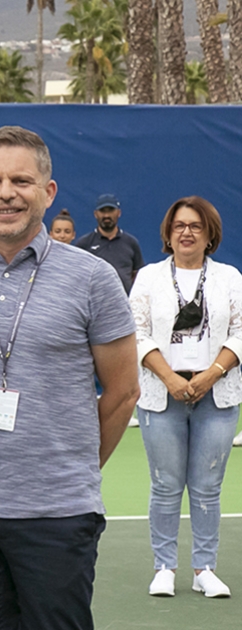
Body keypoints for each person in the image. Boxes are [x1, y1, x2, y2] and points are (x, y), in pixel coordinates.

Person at [0, 126, 139, 629]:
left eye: (21, 179)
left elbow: (124, 392)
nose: (6, 193)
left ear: (48, 192)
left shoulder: (93, 279)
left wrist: (73, 466)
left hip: (59, 514)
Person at [129, 196, 241, 598]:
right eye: (179, 226)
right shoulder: (149, 278)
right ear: (168, 233)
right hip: (162, 394)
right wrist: (170, 378)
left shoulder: (230, 277)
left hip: (217, 395)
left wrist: (212, 374)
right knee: (165, 484)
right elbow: (136, 332)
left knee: (208, 486)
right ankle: (164, 567)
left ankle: (204, 568)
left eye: (195, 226)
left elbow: (241, 332)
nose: (187, 232)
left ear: (209, 233)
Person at [74, 193, 145, 294]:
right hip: (94, 304)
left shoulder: (131, 243)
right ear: (95, 214)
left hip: (125, 303)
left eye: (111, 211)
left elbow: (138, 275)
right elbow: (77, 276)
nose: (106, 215)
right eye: (102, 211)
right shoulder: (84, 244)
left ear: (118, 213)